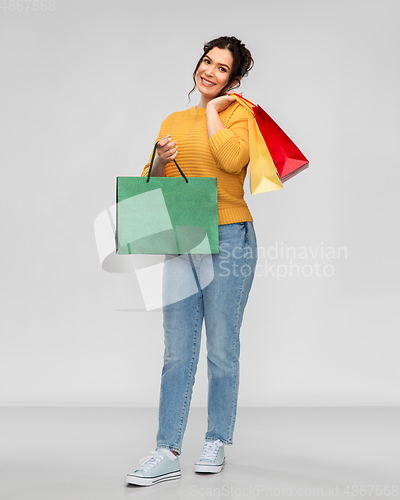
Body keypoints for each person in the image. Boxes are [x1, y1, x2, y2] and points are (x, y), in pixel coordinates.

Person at [126, 35, 258, 487]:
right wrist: (162, 160)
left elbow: (231, 157)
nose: (209, 71)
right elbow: (150, 185)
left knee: (222, 347)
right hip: (183, 236)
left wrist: (212, 110)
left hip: (228, 235)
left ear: (234, 79)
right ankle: (166, 449)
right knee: (177, 349)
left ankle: (217, 439)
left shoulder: (239, 114)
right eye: (206, 62)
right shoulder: (171, 119)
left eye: (222, 68)